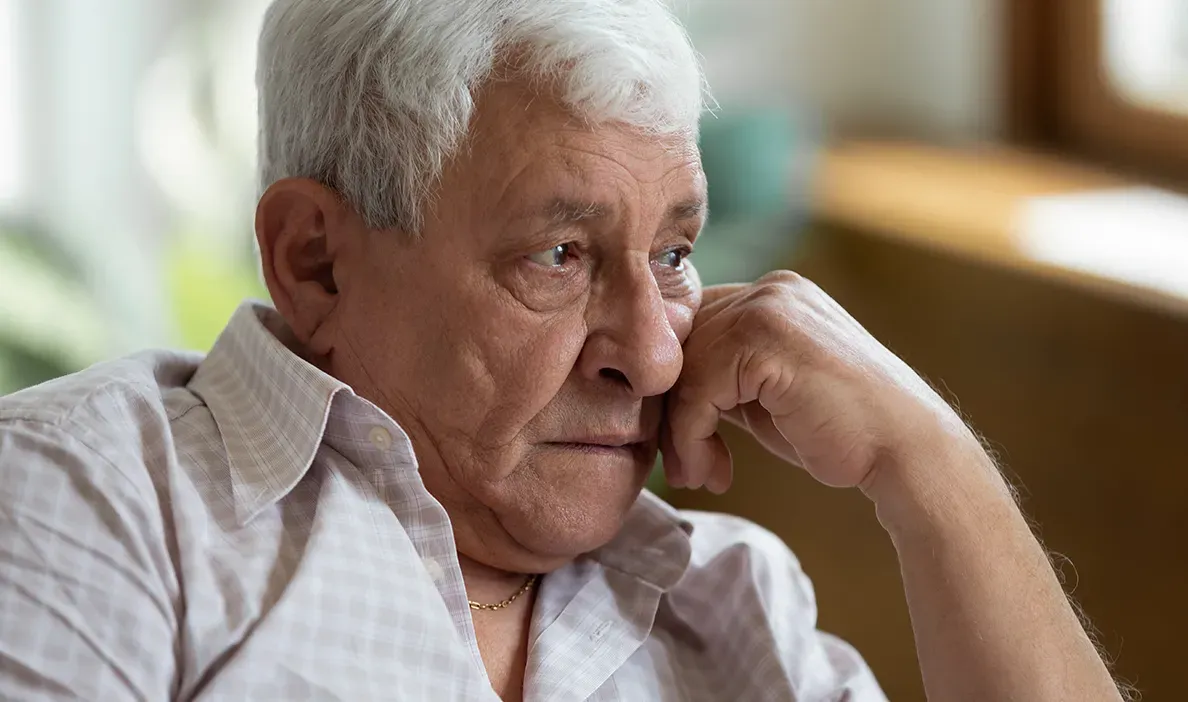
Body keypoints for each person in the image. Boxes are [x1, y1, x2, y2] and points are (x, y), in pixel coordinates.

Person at [0, 0, 1125, 700]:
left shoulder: (733, 602)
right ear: (317, 264)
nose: (652, 355)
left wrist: (929, 469)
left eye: (676, 253)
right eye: (560, 256)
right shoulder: (85, 501)